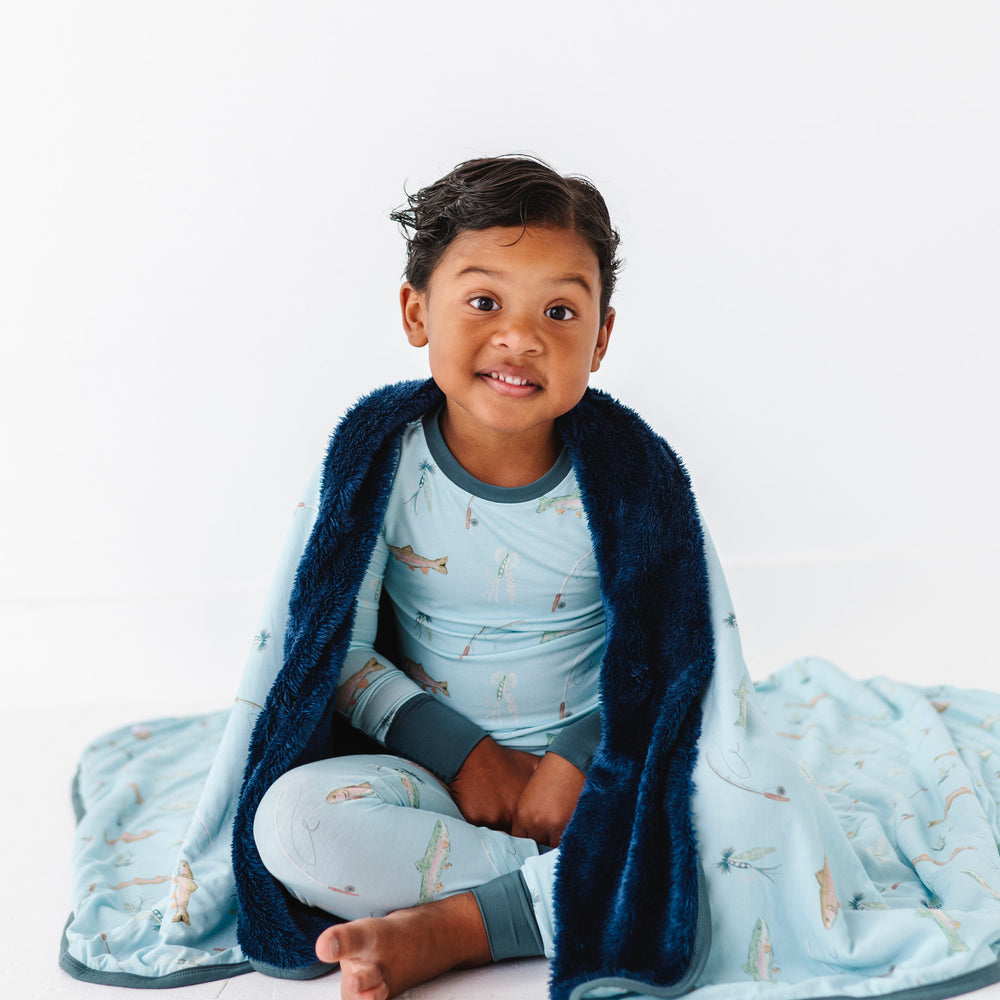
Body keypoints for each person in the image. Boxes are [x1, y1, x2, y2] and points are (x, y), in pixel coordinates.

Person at [251, 155, 621, 1000]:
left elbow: (675, 648)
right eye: (484, 301)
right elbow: (332, 650)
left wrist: (575, 757)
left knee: (758, 827)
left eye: (559, 311)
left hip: (606, 769)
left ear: (599, 339)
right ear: (418, 312)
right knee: (296, 826)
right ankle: (578, 885)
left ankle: (457, 930)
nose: (520, 337)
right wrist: (466, 755)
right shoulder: (380, 464)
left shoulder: (631, 481)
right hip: (437, 781)